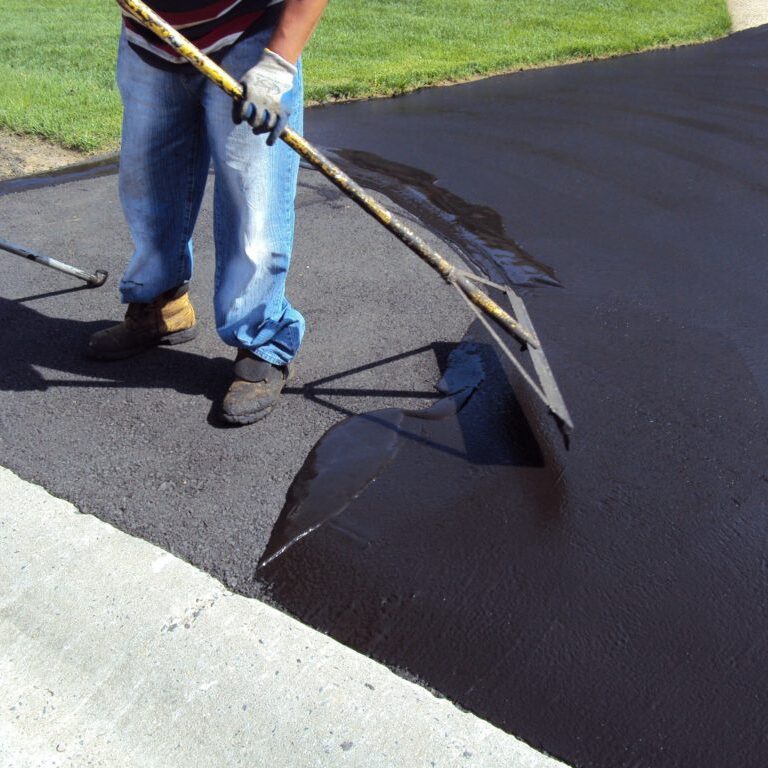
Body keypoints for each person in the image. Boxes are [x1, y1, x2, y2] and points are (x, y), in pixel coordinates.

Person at [88, 0, 328, 425]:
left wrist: (277, 65)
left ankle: (261, 341)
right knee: (148, 185)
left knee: (254, 204)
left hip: (251, 38)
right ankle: (161, 306)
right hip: (150, 35)